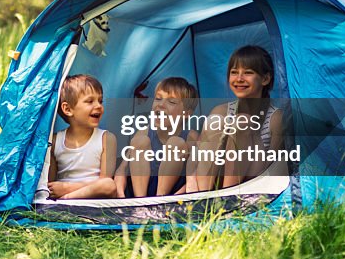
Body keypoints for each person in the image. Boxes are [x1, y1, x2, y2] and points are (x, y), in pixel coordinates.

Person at [186, 46, 284, 193]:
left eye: (248, 73)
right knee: (216, 121)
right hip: (215, 179)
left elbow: (274, 167)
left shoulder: (276, 117)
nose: (239, 79)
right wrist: (190, 180)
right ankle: (202, 197)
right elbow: (199, 154)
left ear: (265, 79)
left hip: (255, 179)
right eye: (234, 72)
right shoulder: (221, 111)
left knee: (242, 121)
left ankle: (227, 197)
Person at [114, 77, 199, 198]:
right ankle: (140, 202)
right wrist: (120, 195)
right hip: (143, 190)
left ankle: (160, 200)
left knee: (176, 143)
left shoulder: (191, 137)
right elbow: (122, 169)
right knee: (140, 141)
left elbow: (196, 175)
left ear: (186, 114)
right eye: (158, 99)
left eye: (172, 102)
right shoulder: (144, 132)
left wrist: (180, 196)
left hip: (173, 194)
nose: (161, 104)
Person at [46, 74, 118, 199]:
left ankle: (67, 200)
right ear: (68, 109)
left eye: (100, 101)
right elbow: (51, 184)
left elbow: (105, 183)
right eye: (90, 101)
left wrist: (68, 189)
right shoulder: (55, 141)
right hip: (62, 191)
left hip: (92, 194)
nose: (98, 106)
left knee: (109, 184)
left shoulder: (107, 138)